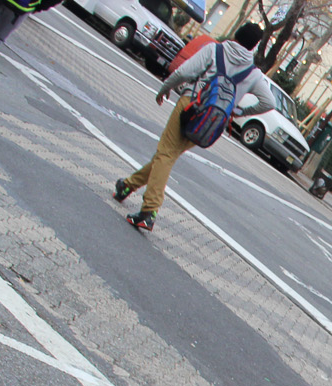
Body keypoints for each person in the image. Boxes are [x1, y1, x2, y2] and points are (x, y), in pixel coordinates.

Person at [112, 23, 274, 232]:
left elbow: (184, 72)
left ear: (237, 34)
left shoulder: (214, 49)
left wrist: (165, 88)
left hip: (190, 106)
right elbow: (269, 102)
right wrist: (239, 112)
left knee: (165, 153)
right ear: (253, 46)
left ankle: (149, 211)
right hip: (212, 121)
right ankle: (127, 185)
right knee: (168, 154)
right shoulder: (253, 73)